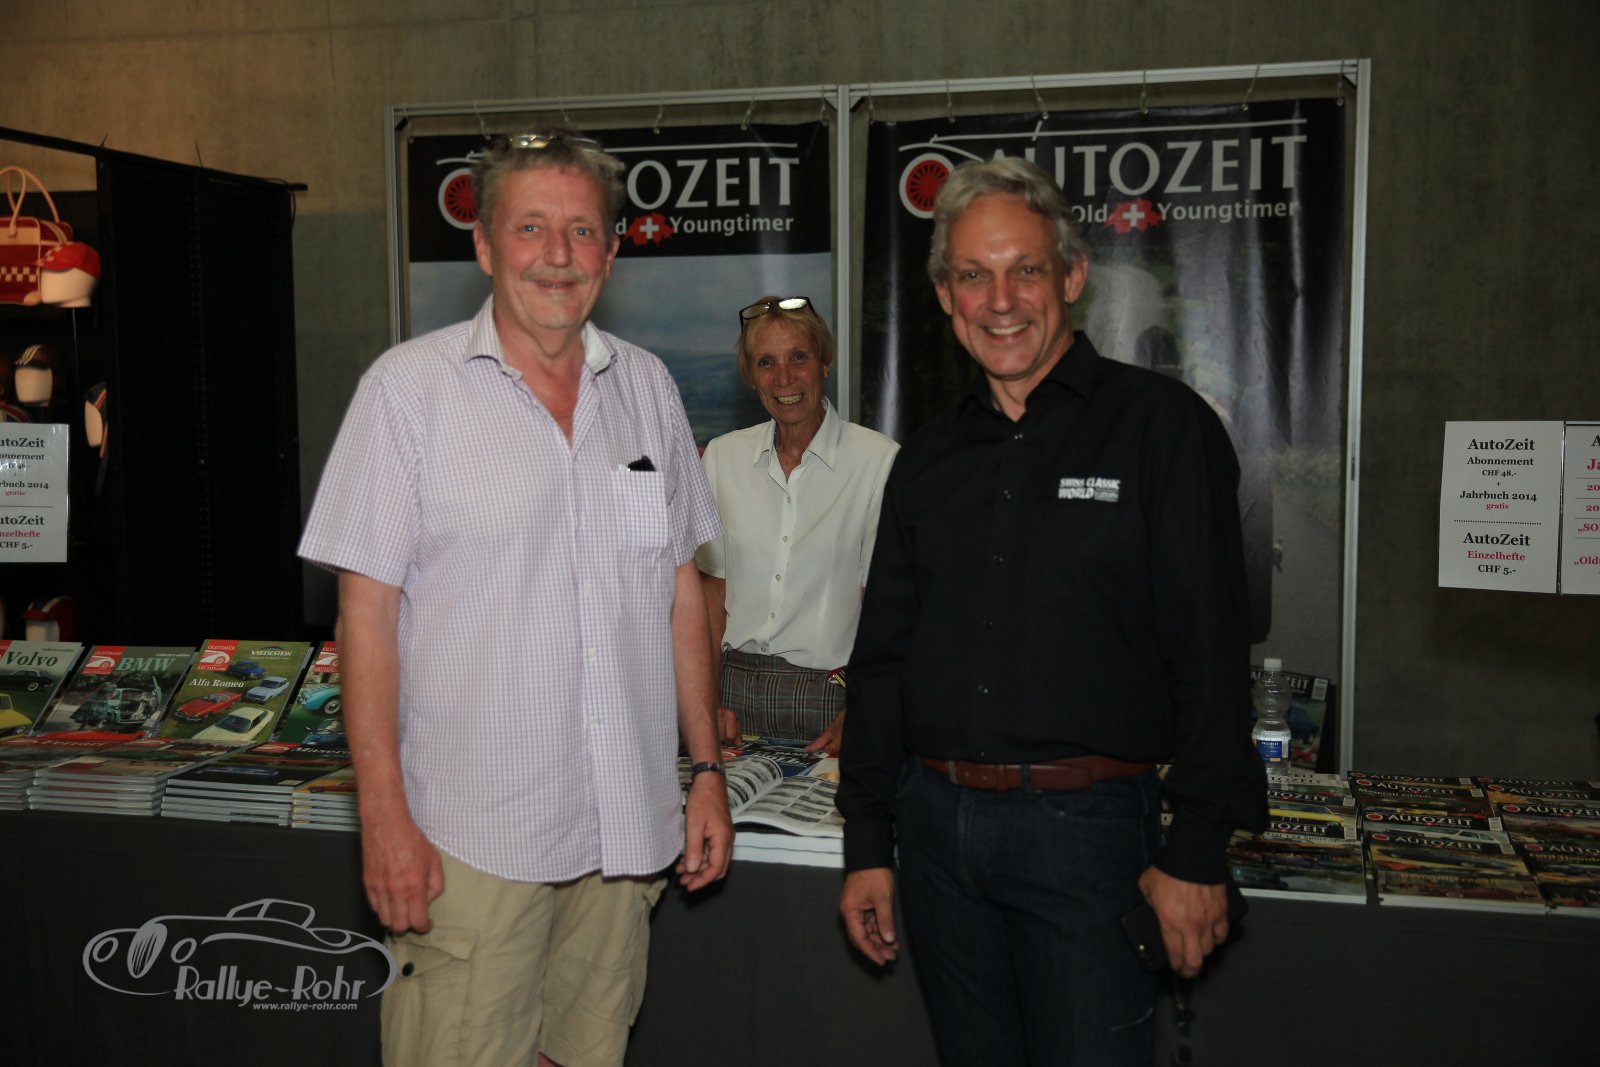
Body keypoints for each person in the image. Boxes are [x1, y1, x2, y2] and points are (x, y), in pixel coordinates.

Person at [298, 127, 732, 1067]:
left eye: (582, 231)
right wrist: (383, 818)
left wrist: (705, 770)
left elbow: (678, 589)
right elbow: (364, 617)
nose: (558, 255)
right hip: (473, 837)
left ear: (611, 253)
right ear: (486, 246)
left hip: (621, 831)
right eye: (531, 228)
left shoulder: (648, 389)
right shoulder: (407, 392)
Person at [836, 157, 1266, 1066]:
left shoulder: (1161, 428)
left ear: (1071, 275)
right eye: (973, 275)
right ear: (945, 296)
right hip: (936, 839)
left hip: (1089, 840)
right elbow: (884, 660)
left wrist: (1196, 847)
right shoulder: (928, 459)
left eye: (1025, 269)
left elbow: (1212, 651)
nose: (1001, 301)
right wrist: (869, 838)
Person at [695, 296, 898, 753]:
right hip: (730, 699)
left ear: (825, 364)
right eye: (766, 362)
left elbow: (885, 606)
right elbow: (711, 594)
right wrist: (705, 699)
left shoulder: (878, 461)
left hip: (834, 702)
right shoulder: (723, 458)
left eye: (799, 357)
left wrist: (867, 704)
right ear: (751, 377)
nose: (783, 378)